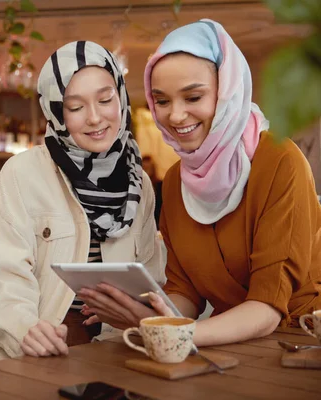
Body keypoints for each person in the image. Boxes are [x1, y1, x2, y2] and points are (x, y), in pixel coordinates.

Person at [79, 19, 321, 347]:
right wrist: (145, 315)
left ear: (227, 91)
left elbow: (267, 307)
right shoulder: (177, 180)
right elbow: (185, 294)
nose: (176, 116)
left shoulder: (280, 162)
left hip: (301, 345)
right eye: (162, 101)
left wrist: (173, 333)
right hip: (227, 346)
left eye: (193, 97)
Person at [0, 41, 164, 372]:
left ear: (121, 97)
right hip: (26, 353)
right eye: (76, 107)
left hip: (114, 355)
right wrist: (25, 329)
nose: (96, 117)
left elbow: (151, 279)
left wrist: (135, 313)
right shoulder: (22, 173)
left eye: (105, 99)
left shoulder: (138, 181)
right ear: (56, 111)